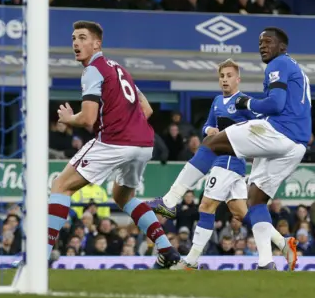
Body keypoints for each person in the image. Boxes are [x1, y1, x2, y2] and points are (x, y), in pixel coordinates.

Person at [148, 27, 310, 270]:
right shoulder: (294, 69)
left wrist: (248, 102)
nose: (262, 46)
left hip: (278, 133)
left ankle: (170, 203)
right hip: (296, 144)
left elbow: (274, 105)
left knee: (212, 151)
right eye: (260, 42)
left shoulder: (278, 64)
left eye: (268, 42)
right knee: (254, 203)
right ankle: (269, 260)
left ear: (281, 47)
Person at [46, 20, 180, 269]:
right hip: (143, 143)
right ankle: (167, 250)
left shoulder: (92, 71)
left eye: (83, 37)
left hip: (115, 141)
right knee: (123, 196)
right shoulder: (119, 69)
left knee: (60, 185)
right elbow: (147, 110)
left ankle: (40, 256)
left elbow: (87, 119)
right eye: (74, 37)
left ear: (97, 44)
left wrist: (67, 119)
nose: (76, 42)